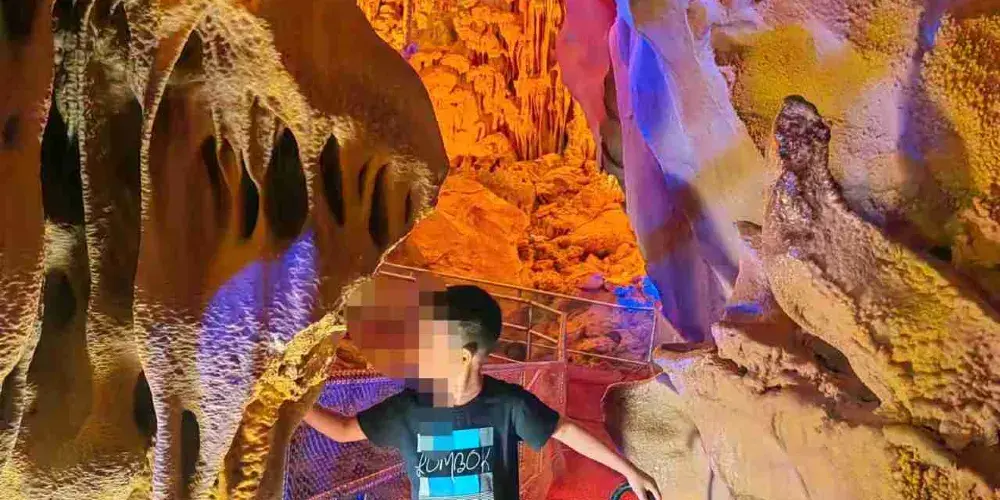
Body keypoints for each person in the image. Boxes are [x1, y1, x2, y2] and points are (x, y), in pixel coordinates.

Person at [304, 284, 661, 500]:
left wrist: (629, 471)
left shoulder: (508, 405)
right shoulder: (407, 410)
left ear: (462, 356)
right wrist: (289, 403)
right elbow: (343, 430)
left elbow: (565, 429)